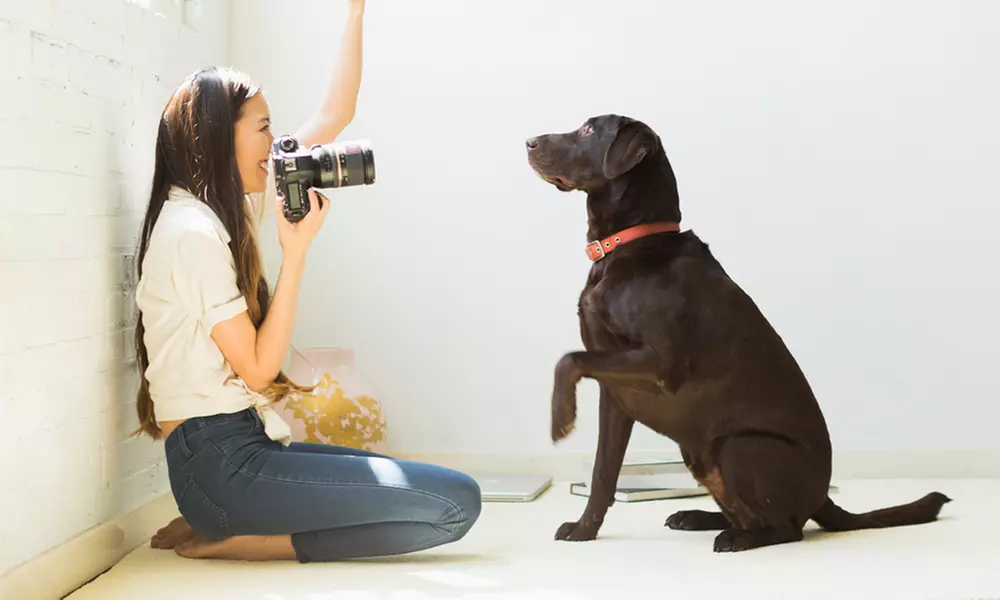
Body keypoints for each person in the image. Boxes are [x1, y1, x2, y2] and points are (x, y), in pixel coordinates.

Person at [134, 0, 482, 562]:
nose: (278, 144)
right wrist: (296, 256)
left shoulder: (219, 208)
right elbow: (256, 368)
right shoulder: (190, 233)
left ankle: (228, 521)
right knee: (455, 505)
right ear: (219, 135)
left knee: (447, 490)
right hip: (222, 467)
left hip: (237, 449)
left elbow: (335, 112)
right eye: (265, 127)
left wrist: (355, 16)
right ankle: (251, 542)